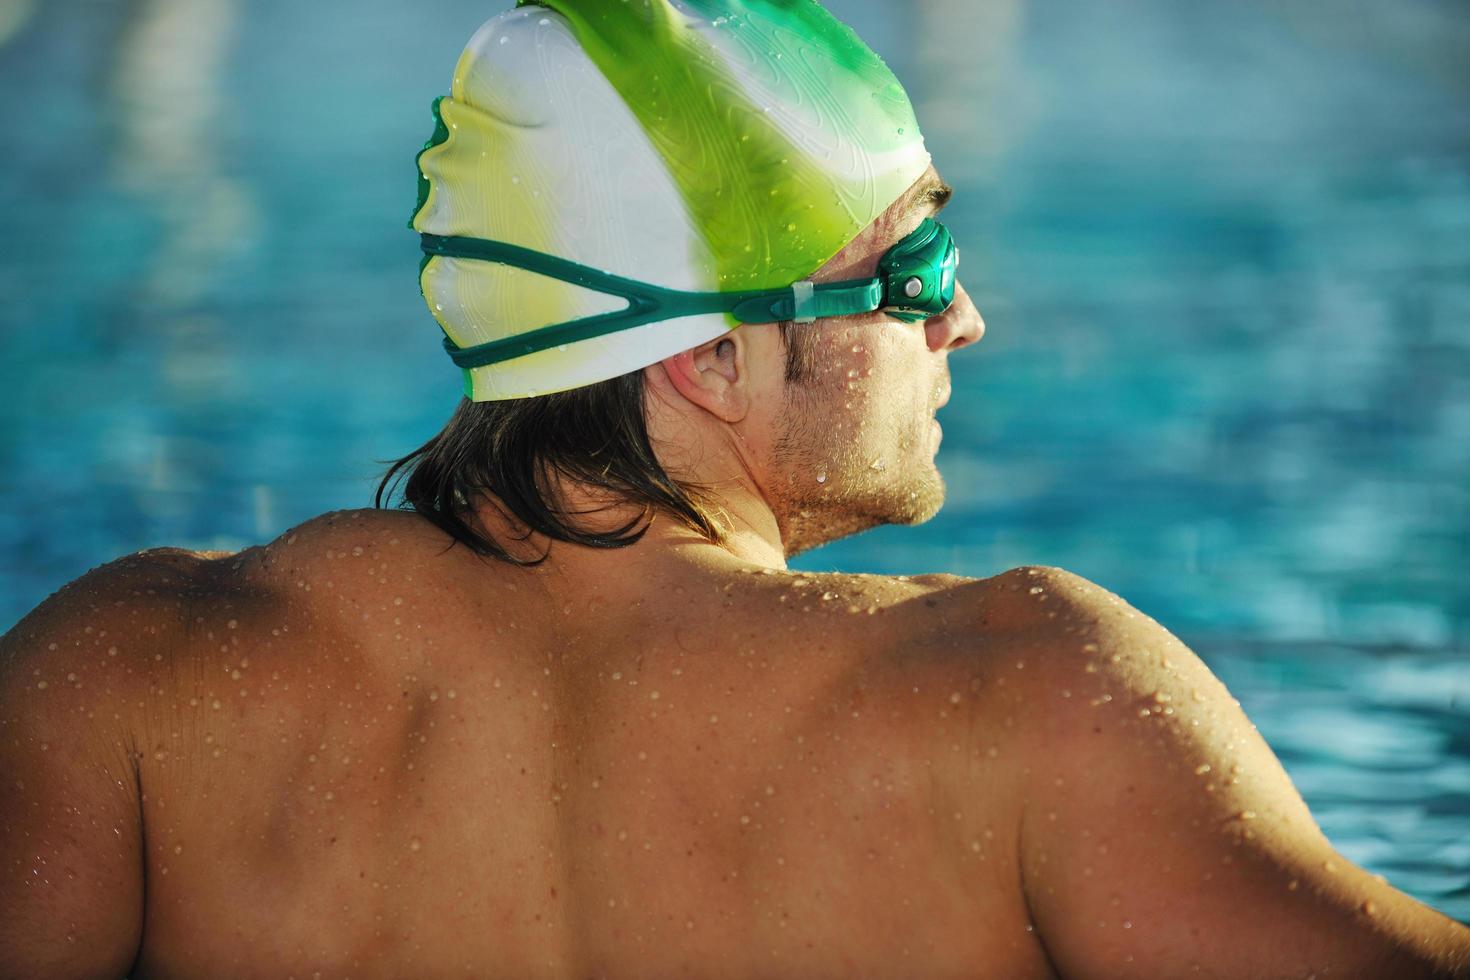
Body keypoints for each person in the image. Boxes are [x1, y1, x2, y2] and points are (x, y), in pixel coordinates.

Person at [2, 1, 1467, 977]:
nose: (964, 324)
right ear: (704, 359)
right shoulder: (1026, 703)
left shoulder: (130, 677)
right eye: (915, 273)